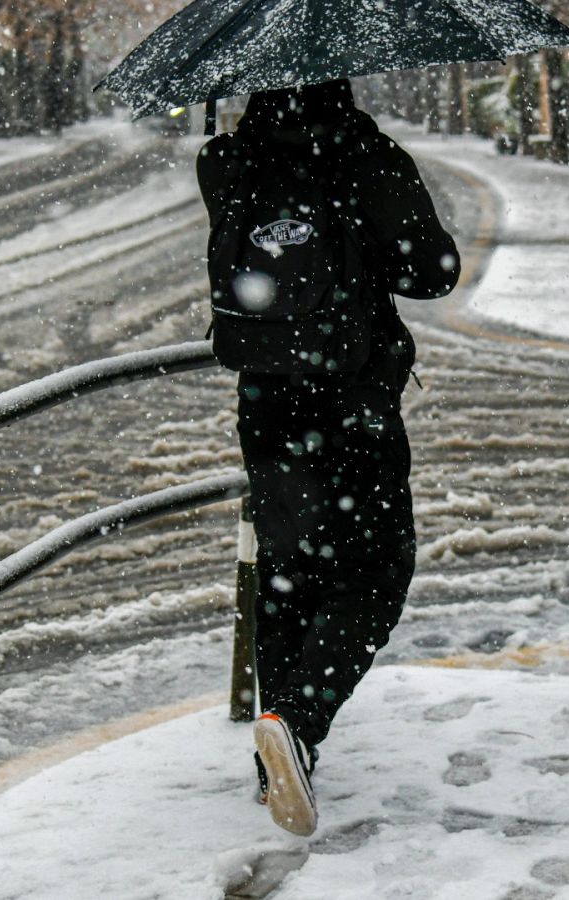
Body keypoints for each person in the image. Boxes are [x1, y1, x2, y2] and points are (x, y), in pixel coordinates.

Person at [196, 79, 460, 837]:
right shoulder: (364, 156)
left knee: (287, 572)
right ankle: (297, 723)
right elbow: (431, 271)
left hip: (266, 399)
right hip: (351, 399)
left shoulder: (227, 161)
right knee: (376, 572)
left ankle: (274, 760)